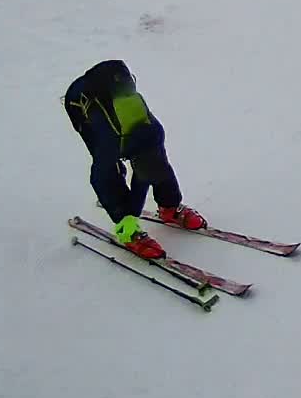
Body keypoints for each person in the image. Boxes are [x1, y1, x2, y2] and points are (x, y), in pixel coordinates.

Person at [63, 59, 204, 259]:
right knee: (110, 173)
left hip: (121, 108)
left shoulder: (154, 131)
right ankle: (126, 231)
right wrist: (128, 216)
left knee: (158, 165)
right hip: (80, 103)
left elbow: (154, 169)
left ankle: (169, 207)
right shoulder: (108, 142)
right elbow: (99, 177)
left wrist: (155, 195)